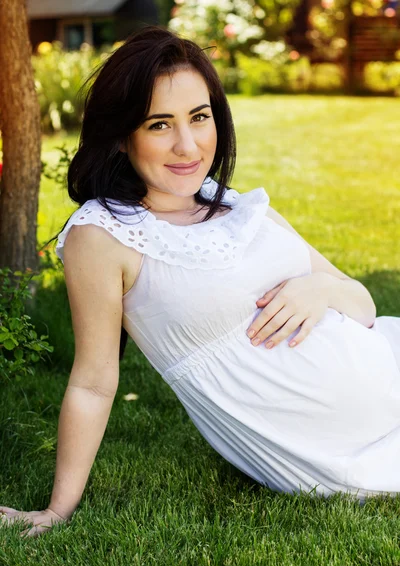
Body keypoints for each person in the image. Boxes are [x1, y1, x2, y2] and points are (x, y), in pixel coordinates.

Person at [1, 25, 400, 538]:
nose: (187, 145)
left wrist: (318, 290)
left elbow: (363, 303)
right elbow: (94, 381)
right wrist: (58, 509)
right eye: (159, 124)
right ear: (123, 135)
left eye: (199, 117)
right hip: (332, 448)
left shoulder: (240, 208)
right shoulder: (105, 236)